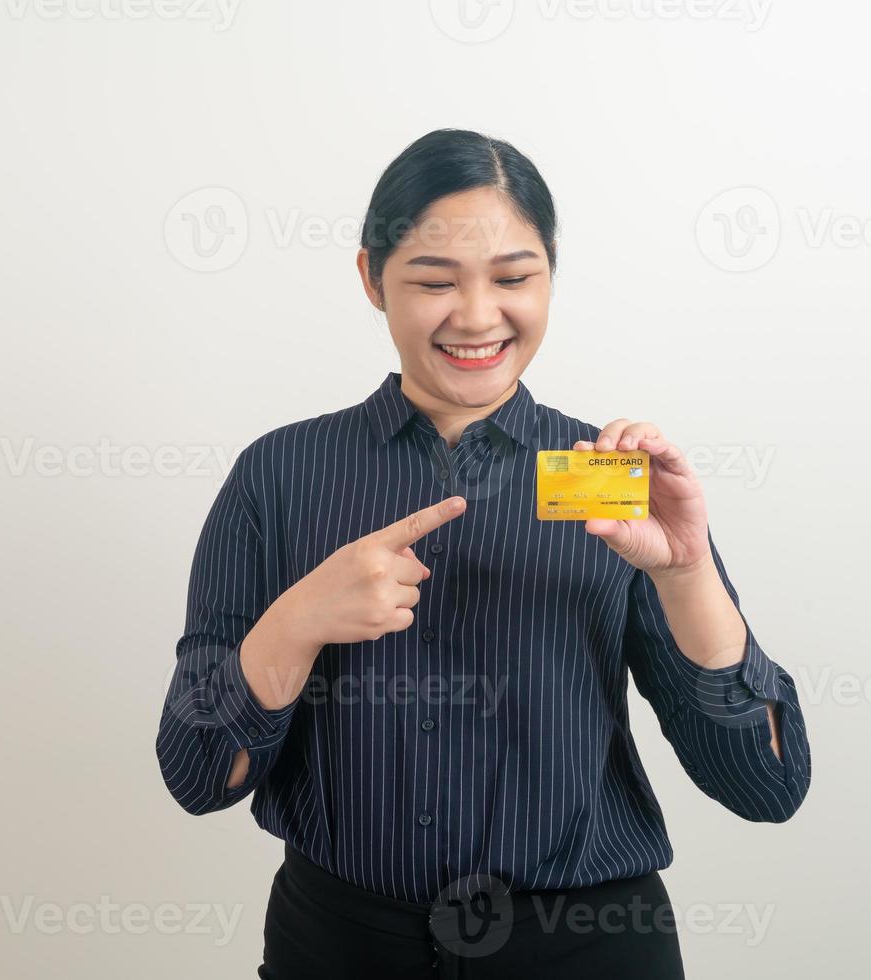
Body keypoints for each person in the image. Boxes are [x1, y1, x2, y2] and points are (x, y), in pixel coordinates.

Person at [156, 128, 811, 979]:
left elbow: (768, 787)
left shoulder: (607, 478)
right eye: (433, 281)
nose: (476, 315)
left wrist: (684, 574)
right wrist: (297, 622)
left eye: (513, 278)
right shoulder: (280, 474)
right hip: (343, 946)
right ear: (371, 280)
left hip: (588, 947)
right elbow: (198, 773)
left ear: (550, 280)